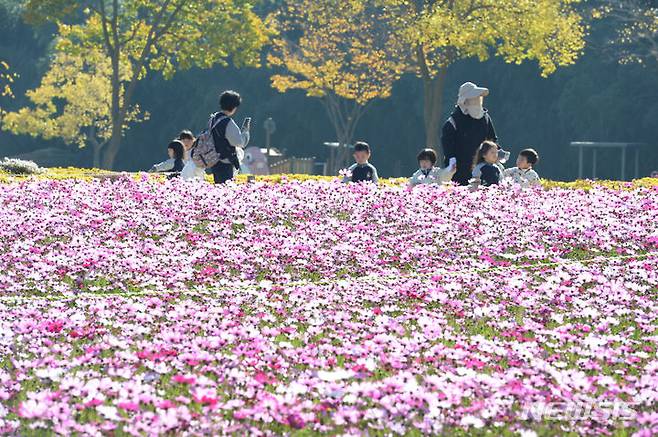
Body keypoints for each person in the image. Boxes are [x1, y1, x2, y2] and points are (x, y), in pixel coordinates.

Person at [441, 82, 498, 186]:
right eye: (473, 98)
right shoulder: (453, 121)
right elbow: (447, 143)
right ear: (464, 101)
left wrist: (497, 152)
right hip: (460, 170)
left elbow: (492, 139)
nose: (477, 101)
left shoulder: (485, 118)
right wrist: (451, 160)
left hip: (484, 169)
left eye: (478, 98)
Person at [210, 90, 250, 184]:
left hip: (213, 160)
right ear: (234, 107)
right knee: (226, 190)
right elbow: (239, 142)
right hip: (225, 162)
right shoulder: (227, 122)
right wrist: (246, 131)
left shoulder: (213, 119)